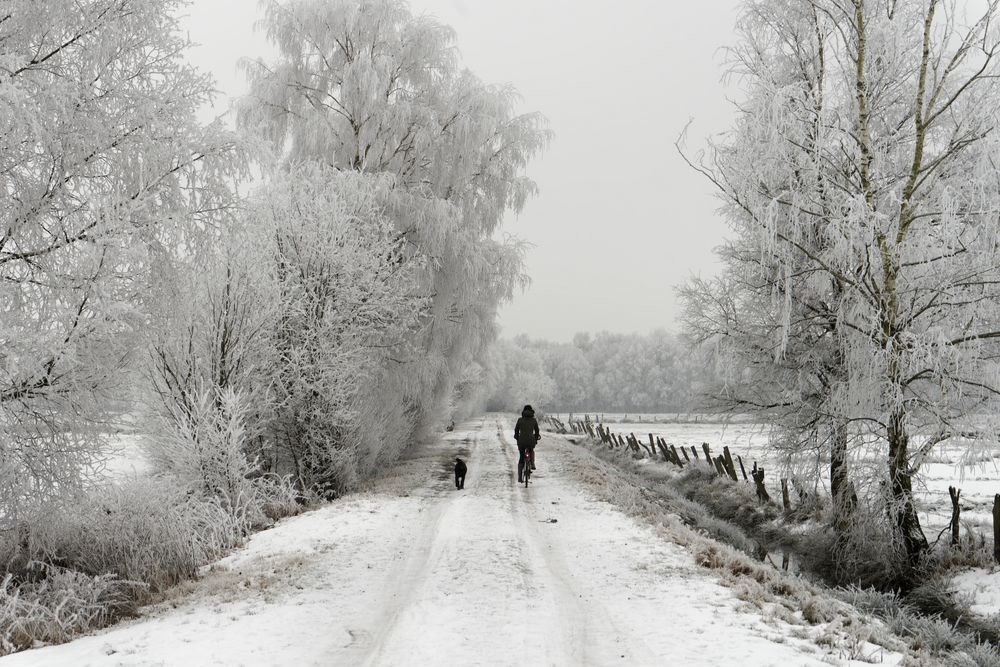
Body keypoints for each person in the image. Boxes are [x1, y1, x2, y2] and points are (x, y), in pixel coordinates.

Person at [513, 404, 540, 483]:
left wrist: (517, 437)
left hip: (521, 441)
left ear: (523, 412)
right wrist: (535, 438)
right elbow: (537, 431)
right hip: (531, 440)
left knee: (521, 457)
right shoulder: (534, 420)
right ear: (532, 411)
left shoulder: (520, 420)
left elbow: (516, 430)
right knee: (531, 450)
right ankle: (532, 463)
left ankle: (520, 478)